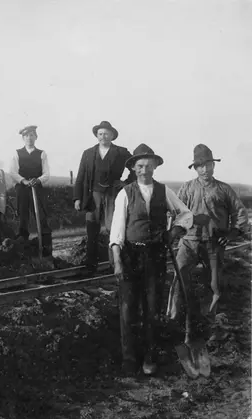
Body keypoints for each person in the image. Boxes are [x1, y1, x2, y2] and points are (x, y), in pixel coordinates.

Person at [109, 144, 193, 375]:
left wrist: (174, 231)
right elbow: (117, 229)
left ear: (155, 167)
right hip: (130, 256)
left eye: (148, 165)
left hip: (155, 255)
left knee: (153, 308)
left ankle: (149, 357)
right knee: (128, 309)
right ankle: (129, 360)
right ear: (133, 169)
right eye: (140, 166)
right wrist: (117, 261)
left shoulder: (164, 191)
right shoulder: (125, 193)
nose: (144, 170)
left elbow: (186, 213)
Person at [169, 144, 249, 342]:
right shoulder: (187, 188)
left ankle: (208, 325)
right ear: (195, 168)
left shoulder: (223, 189)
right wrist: (177, 229)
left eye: (208, 165)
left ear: (213, 166)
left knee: (213, 284)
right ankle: (174, 321)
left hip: (214, 243)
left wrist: (233, 232)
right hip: (189, 242)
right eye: (200, 166)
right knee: (179, 277)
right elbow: (177, 212)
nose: (204, 169)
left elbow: (239, 213)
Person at [73, 121, 135, 272]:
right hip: (93, 196)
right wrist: (77, 198)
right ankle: (90, 265)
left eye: (106, 134)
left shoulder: (121, 152)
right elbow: (80, 176)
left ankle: (113, 264)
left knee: (112, 229)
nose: (103, 137)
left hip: (113, 195)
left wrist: (126, 183)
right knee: (91, 229)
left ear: (112, 135)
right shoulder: (88, 153)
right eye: (100, 134)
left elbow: (135, 166)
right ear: (96, 135)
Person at [8, 125, 52, 255]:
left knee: (41, 216)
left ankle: (46, 249)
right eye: (26, 136)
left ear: (36, 137)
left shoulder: (42, 154)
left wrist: (37, 180)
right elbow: (13, 172)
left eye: (32, 135)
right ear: (23, 138)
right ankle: (23, 248)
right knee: (23, 217)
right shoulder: (17, 153)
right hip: (22, 189)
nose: (29, 138)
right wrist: (24, 181)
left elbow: (46, 174)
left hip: (37, 188)